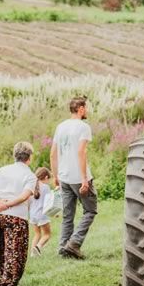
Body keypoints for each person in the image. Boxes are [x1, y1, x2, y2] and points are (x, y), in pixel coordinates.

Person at [0, 142, 37, 286]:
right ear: (29, 157)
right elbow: (24, 196)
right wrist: (5, 205)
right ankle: (8, 283)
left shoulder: (2, 170)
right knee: (15, 250)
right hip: (16, 217)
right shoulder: (30, 176)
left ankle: (3, 276)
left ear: (15, 155)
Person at [50, 96, 97, 260]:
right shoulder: (83, 127)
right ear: (81, 109)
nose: (88, 111)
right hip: (78, 177)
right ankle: (74, 244)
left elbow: (53, 154)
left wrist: (55, 176)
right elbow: (81, 152)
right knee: (90, 210)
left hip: (64, 177)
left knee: (67, 215)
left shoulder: (60, 127)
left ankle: (63, 248)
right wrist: (84, 179)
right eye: (87, 108)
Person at [29, 167, 53, 257]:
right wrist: (54, 213)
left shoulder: (32, 186)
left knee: (37, 234)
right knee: (47, 234)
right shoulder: (46, 187)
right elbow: (49, 203)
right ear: (46, 177)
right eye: (48, 179)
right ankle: (38, 247)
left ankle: (32, 254)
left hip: (32, 215)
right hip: (42, 215)